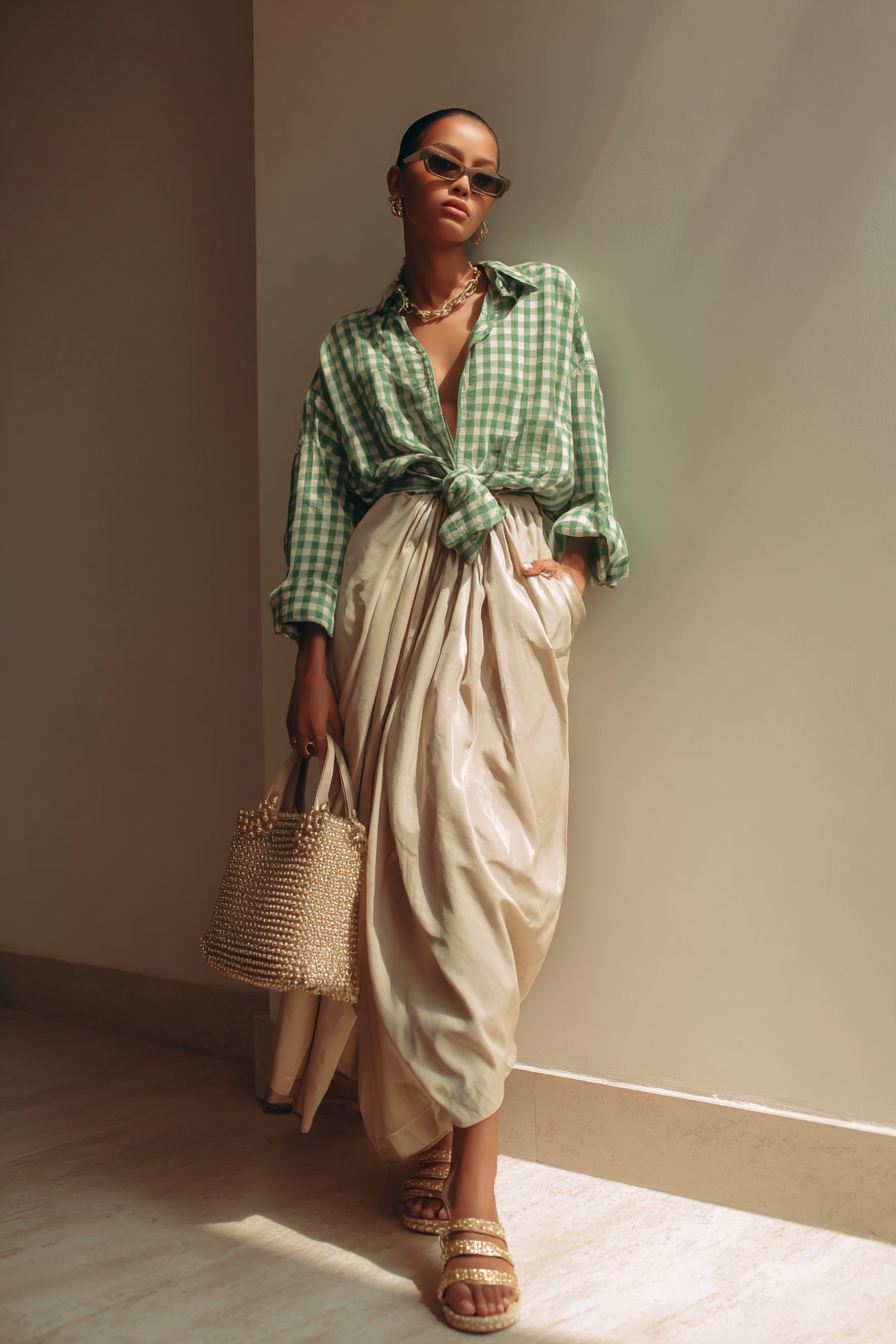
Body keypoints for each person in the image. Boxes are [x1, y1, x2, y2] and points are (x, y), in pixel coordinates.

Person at [265, 107, 628, 1332]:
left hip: (511, 591)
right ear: (397, 181)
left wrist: (568, 577)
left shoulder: (546, 303)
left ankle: (441, 1127)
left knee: (494, 875)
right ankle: (468, 1184)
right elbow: (319, 504)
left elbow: (588, 457)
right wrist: (311, 657)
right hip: (386, 599)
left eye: (483, 175)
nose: (464, 186)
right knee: (408, 880)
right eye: (441, 164)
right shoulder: (349, 347)